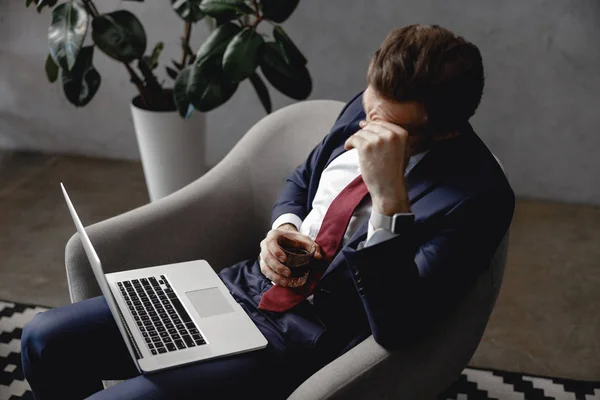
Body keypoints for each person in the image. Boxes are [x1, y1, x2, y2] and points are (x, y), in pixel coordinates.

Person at [21, 24, 515, 400]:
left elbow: (401, 328)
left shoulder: (476, 198)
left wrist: (389, 201)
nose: (366, 127)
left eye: (386, 126)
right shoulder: (363, 108)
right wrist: (282, 229)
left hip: (296, 342)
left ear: (446, 130)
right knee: (43, 338)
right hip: (238, 288)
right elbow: (302, 180)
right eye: (367, 109)